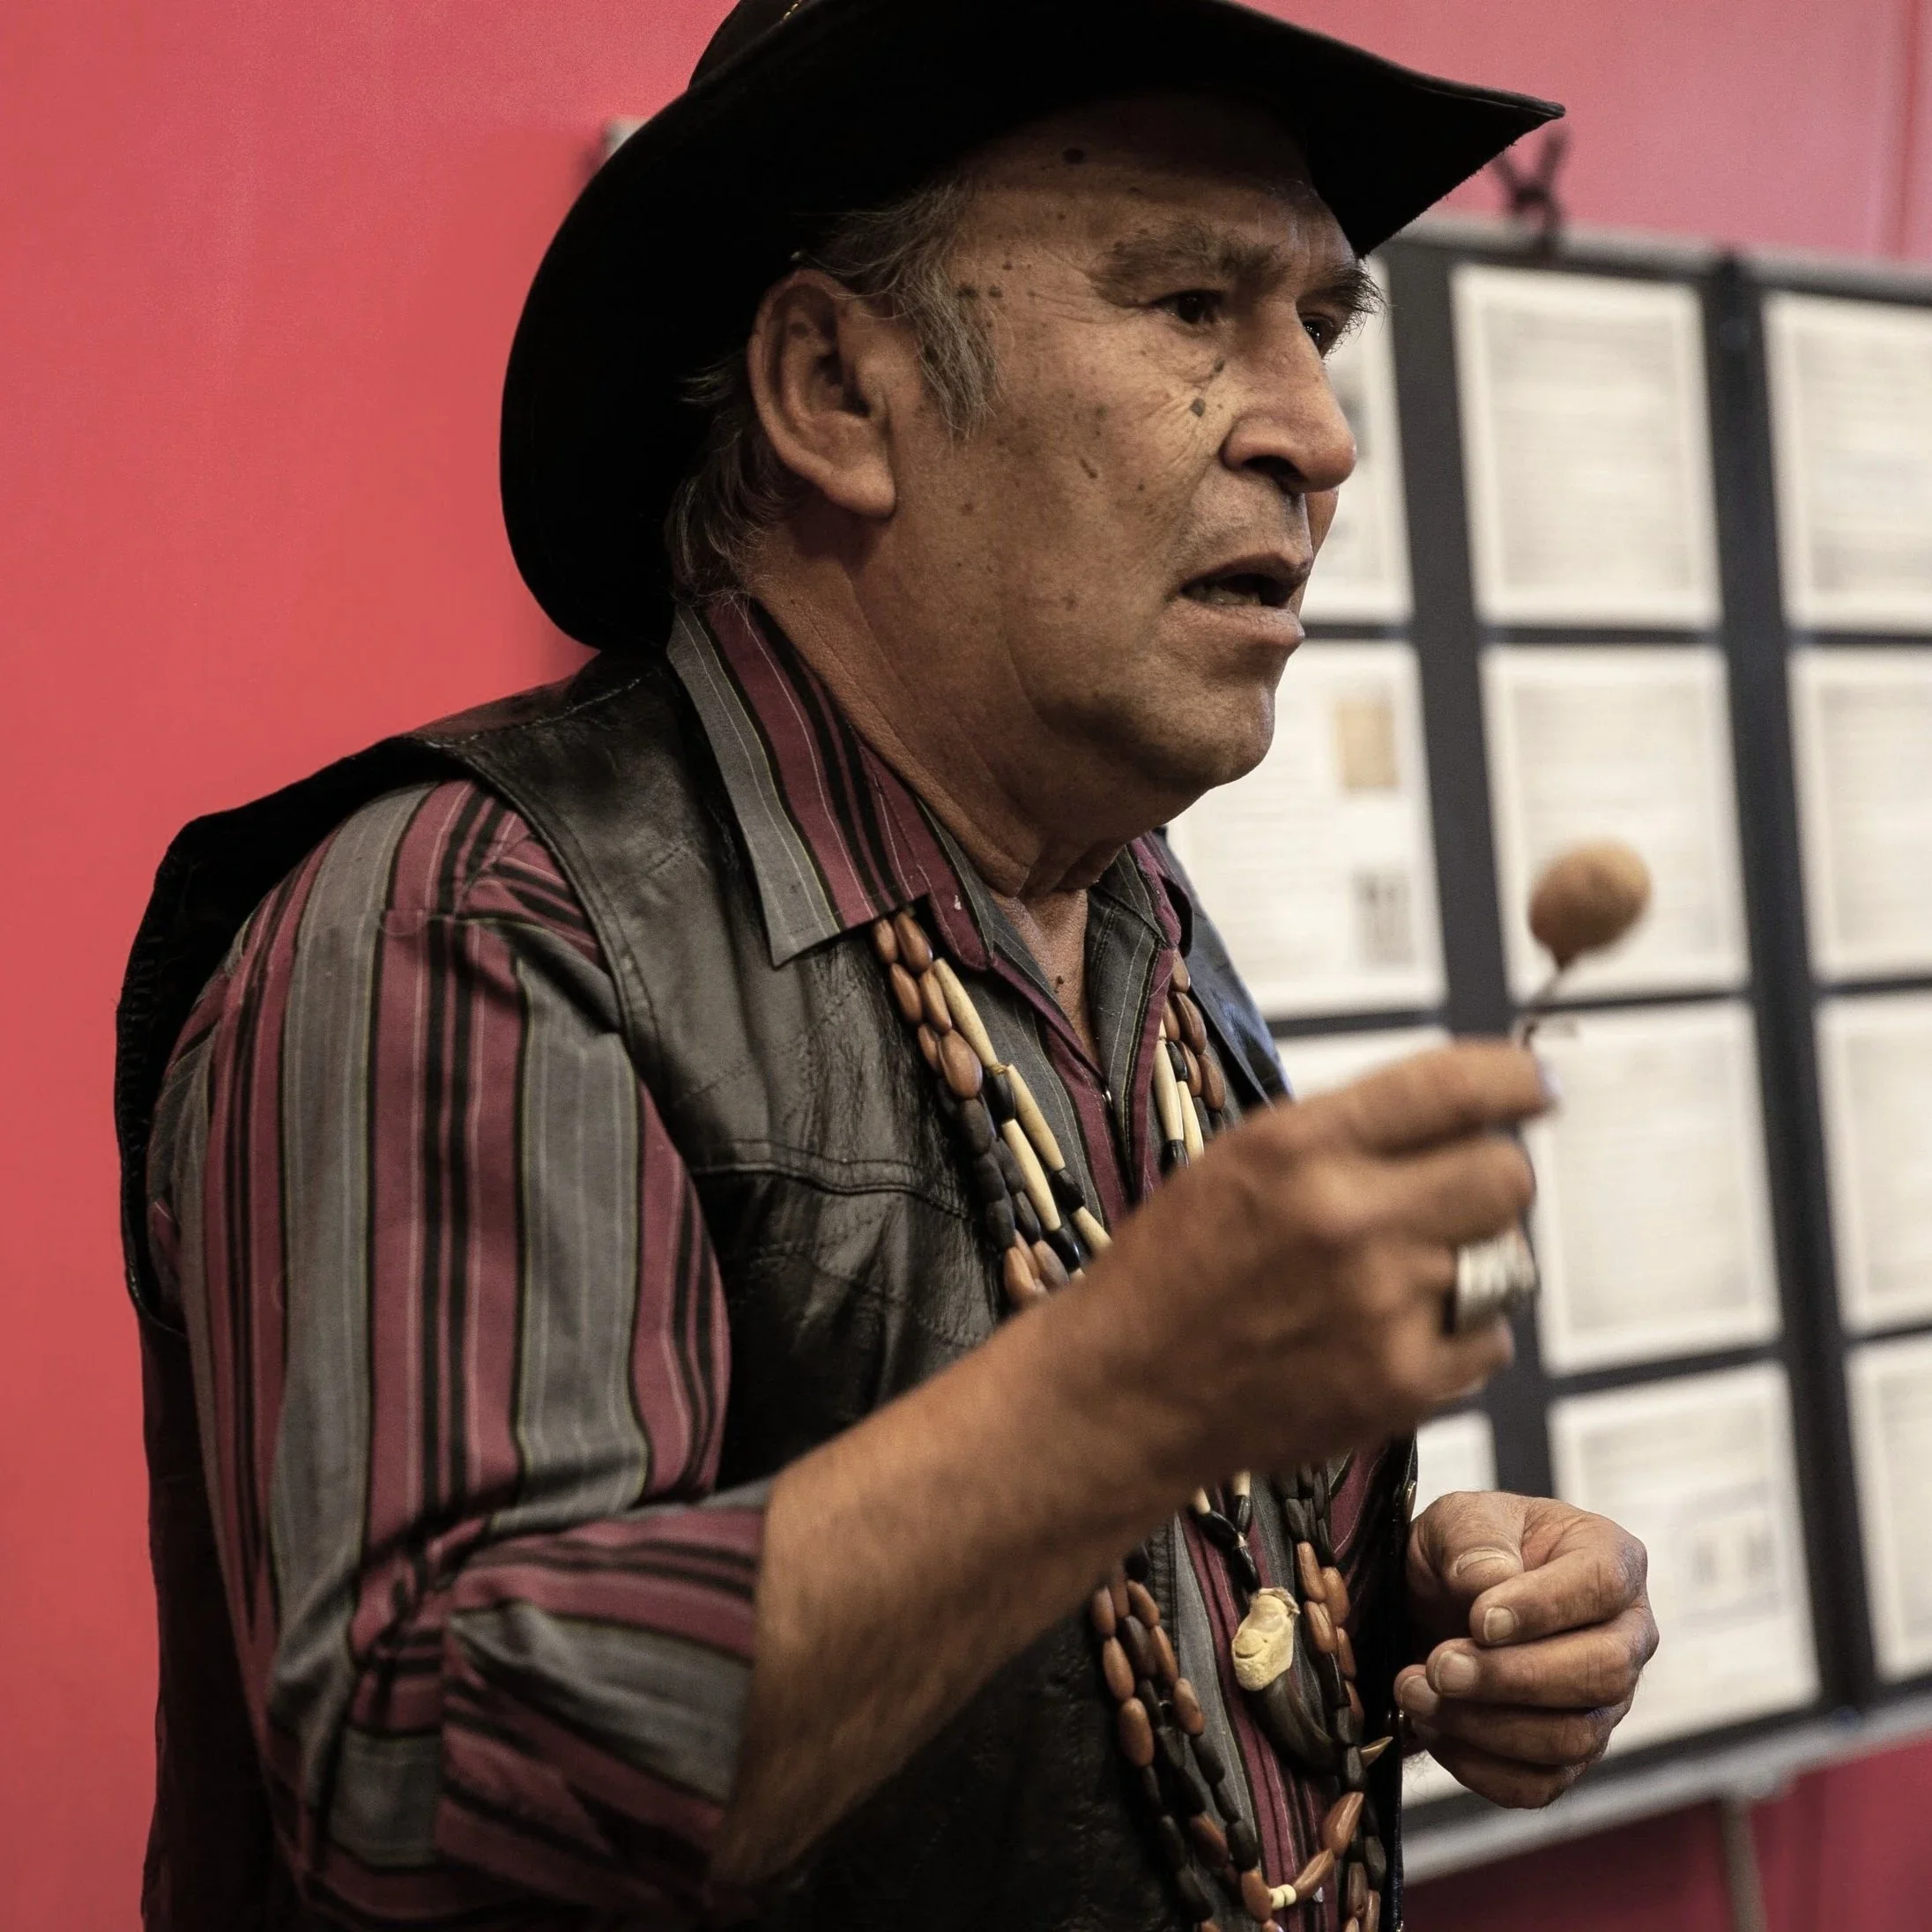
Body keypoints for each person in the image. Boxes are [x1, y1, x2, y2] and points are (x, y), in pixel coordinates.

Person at [116, 2, 1659, 1928]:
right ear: (837, 391)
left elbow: (1066, 1638)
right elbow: (420, 1787)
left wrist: (1397, 1607)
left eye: (1318, 329)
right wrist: (1127, 1397)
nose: (1316, 434)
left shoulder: (1136, 924)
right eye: (1188, 305)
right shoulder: (478, 921)